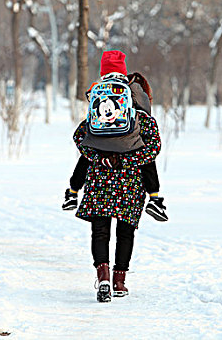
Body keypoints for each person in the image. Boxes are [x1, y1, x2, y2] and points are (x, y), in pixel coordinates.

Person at [70, 50, 162, 303]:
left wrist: (102, 159)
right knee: (125, 232)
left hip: (100, 177)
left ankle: (103, 277)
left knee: (100, 231)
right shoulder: (135, 100)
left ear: (102, 71)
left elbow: (80, 138)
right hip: (130, 179)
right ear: (124, 70)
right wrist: (126, 160)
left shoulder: (97, 97)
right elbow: (152, 146)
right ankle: (120, 282)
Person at [63, 54, 168, 222]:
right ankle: (155, 198)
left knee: (86, 153)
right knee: (147, 155)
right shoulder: (132, 88)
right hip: (129, 143)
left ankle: (73, 192)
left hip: (100, 142)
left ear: (103, 71)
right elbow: (145, 109)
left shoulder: (99, 88)